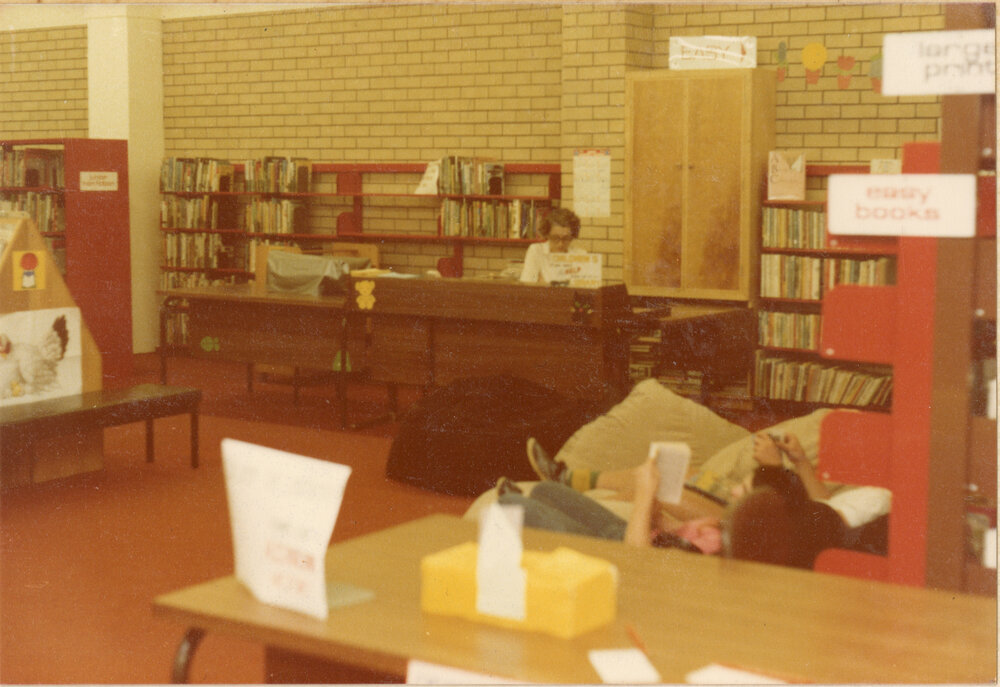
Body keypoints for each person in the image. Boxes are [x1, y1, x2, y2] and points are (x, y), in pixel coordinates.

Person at [507, 433, 889, 568]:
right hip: (647, 535)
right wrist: (801, 460)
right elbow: (825, 507)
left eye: (747, 488)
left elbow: (639, 563)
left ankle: (564, 481)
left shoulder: (744, 542)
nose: (741, 488)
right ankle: (562, 481)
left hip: (630, 551)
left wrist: (644, 499)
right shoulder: (824, 514)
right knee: (543, 493)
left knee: (520, 505)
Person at [519, 207, 586, 284]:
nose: (560, 244)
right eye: (555, 238)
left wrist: (544, 282)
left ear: (573, 235)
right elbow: (527, 284)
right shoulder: (536, 250)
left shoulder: (580, 254)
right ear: (547, 234)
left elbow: (582, 288)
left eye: (566, 238)